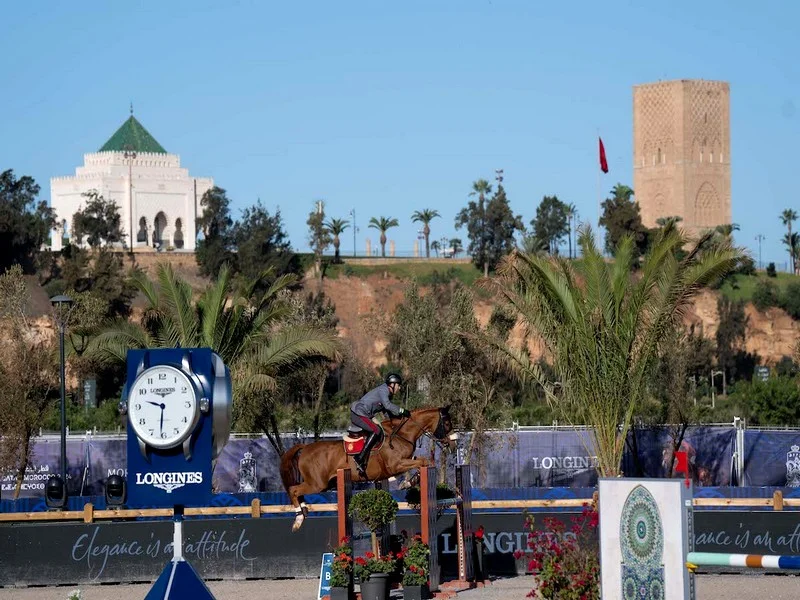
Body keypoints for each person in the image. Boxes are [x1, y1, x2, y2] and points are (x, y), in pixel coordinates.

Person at [350, 373, 410, 478]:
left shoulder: (387, 393)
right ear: (392, 384)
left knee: (380, 430)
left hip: (363, 414)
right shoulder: (384, 390)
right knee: (376, 430)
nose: (399, 388)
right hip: (358, 413)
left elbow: (386, 411)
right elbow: (387, 405)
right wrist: (402, 410)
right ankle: (359, 457)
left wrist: (395, 422)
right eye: (398, 385)